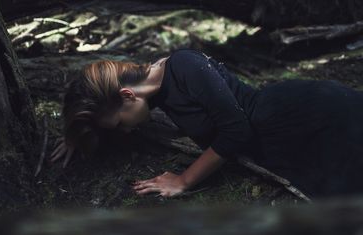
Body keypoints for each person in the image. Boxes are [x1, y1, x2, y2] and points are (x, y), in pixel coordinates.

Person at [51, 48, 363, 199]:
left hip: (313, 117)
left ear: (128, 95)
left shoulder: (186, 66)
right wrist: (78, 132)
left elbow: (237, 130)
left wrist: (184, 180)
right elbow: (94, 98)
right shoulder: (151, 96)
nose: (126, 131)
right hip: (286, 138)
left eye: (119, 124)